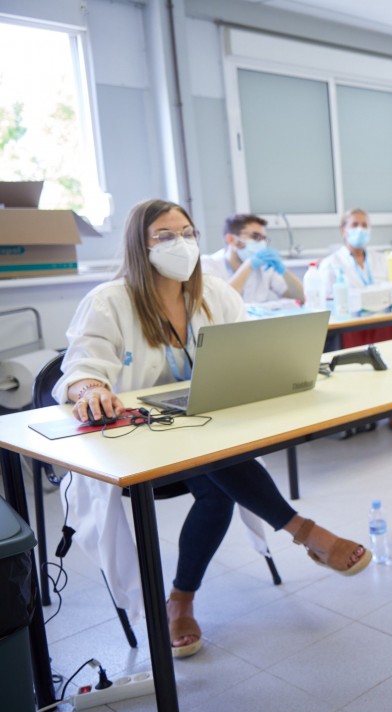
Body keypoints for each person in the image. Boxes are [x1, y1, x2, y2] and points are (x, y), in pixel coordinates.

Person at [55, 198, 370, 659]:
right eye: (165, 235)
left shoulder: (215, 294)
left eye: (187, 232)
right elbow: (81, 367)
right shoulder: (108, 301)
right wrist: (89, 391)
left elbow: (245, 352)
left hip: (207, 440)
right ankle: (305, 532)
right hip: (137, 450)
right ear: (139, 246)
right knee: (219, 463)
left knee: (217, 478)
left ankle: (180, 600)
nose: (180, 243)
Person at [319, 208, 392, 349]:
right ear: (343, 230)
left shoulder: (380, 259)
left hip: (382, 322)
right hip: (350, 327)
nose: (360, 229)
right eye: (355, 225)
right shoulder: (330, 264)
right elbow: (324, 303)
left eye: (364, 225)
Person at [199, 213, 304, 304]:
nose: (262, 243)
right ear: (231, 239)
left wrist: (283, 270)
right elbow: (220, 304)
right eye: (256, 237)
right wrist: (248, 266)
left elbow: (300, 298)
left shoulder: (264, 266)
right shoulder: (209, 265)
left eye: (264, 239)